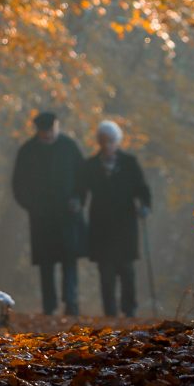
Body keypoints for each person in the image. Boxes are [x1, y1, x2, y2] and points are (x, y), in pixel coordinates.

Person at [10, 110, 84, 316]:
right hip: (41, 217)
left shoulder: (69, 146)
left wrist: (78, 199)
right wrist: (31, 205)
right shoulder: (27, 151)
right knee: (46, 262)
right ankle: (49, 305)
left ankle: (71, 302)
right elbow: (18, 184)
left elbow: (83, 176)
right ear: (38, 131)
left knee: (70, 259)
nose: (48, 135)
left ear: (56, 127)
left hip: (67, 214)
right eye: (45, 132)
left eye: (51, 131)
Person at [78, 119, 152, 318]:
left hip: (125, 223)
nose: (107, 144)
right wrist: (77, 204)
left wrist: (144, 205)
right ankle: (110, 312)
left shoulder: (129, 163)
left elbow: (142, 189)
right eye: (103, 140)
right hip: (101, 224)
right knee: (106, 272)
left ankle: (130, 309)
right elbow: (81, 191)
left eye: (111, 140)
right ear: (99, 142)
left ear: (117, 141)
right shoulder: (90, 165)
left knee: (127, 270)